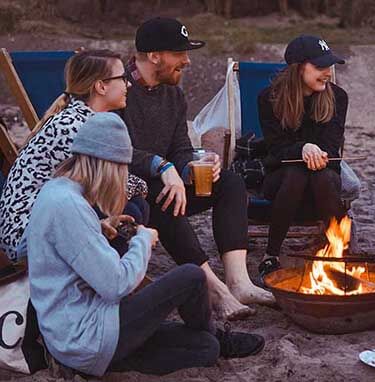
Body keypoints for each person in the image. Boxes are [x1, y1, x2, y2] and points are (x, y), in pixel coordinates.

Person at [24, 112, 265, 377]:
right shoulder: (69, 207)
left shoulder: (57, 191)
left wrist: (101, 228)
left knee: (204, 348)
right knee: (191, 276)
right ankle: (218, 336)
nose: (122, 177)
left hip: (74, 337)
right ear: (107, 164)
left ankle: (208, 340)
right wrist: (142, 240)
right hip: (87, 334)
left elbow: (67, 250)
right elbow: (115, 285)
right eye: (121, 169)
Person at [117, 17, 273, 319]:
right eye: (180, 54)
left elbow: (180, 147)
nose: (187, 61)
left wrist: (194, 163)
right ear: (154, 56)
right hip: (128, 189)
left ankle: (238, 281)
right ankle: (214, 290)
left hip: (168, 180)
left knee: (229, 182)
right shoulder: (117, 88)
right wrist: (162, 167)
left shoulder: (173, 93)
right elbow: (114, 148)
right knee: (164, 197)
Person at [0, 49, 149, 262]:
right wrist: (147, 183)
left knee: (133, 208)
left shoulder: (80, 118)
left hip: (48, 219)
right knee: (130, 208)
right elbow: (109, 187)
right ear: (101, 86)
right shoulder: (75, 127)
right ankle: (106, 276)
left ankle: (108, 273)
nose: (129, 84)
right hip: (28, 234)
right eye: (123, 78)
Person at [256, 35, 348, 279]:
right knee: (297, 173)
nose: (328, 72)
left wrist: (315, 152)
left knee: (322, 176)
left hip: (323, 178)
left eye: (329, 66)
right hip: (281, 180)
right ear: (298, 68)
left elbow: (331, 145)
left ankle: (336, 253)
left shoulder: (338, 97)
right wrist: (302, 148)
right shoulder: (269, 99)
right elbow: (276, 148)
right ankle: (271, 255)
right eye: (320, 67)